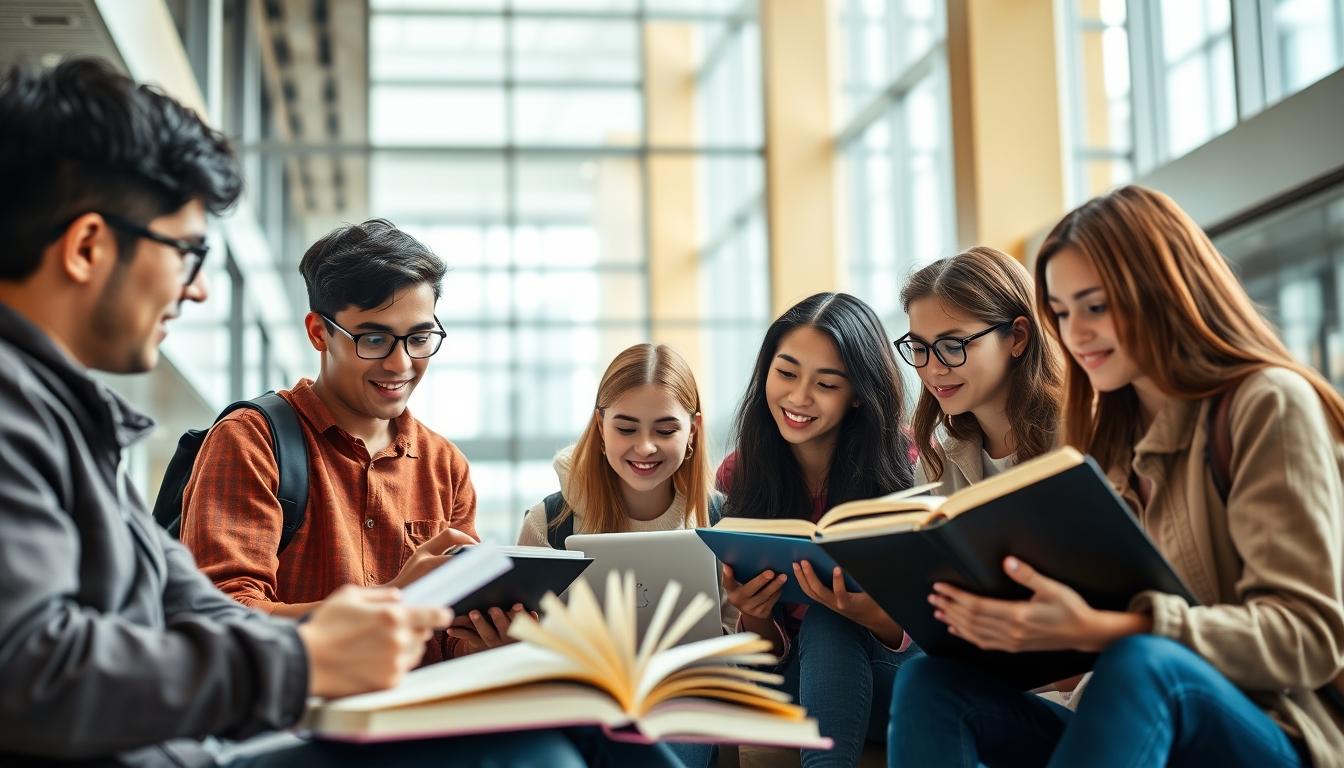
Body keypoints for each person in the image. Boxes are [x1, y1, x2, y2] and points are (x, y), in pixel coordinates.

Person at [0, 57, 681, 767]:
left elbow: (192, 611)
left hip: (352, 718)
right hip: (257, 735)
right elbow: (35, 672)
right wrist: (320, 646)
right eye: (186, 253)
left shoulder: (72, 425)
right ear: (86, 247)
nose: (196, 291)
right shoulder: (41, 421)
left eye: (419, 338)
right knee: (537, 754)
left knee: (601, 729)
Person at [887, 185, 1344, 767]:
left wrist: (1113, 629)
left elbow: (1307, 636)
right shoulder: (1112, 428)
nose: (1075, 332)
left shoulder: (1267, 402)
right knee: (930, 684)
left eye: (1095, 306)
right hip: (1128, 701)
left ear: (1163, 292)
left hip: (1269, 726)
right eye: (1064, 311)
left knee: (1139, 658)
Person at [179, 218, 511, 661]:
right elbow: (221, 617)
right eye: (374, 339)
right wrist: (393, 601)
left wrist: (490, 638)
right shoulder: (251, 441)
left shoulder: (445, 465)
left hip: (419, 720)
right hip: (298, 720)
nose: (400, 364)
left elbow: (448, 635)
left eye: (419, 337)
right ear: (319, 332)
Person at [718, 292, 921, 767]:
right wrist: (757, 615)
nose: (798, 398)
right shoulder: (738, 475)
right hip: (798, 686)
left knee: (833, 618)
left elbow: (931, 627)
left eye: (826, 384)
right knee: (823, 626)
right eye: (786, 373)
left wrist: (872, 614)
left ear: (857, 394)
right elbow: (765, 658)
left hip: (898, 677)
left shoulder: (910, 466)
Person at [517, 342, 731, 768]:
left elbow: (738, 648)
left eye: (665, 430)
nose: (646, 447)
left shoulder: (722, 519)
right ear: (600, 427)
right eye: (626, 428)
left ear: (693, 431)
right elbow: (525, 645)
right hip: (582, 700)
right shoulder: (550, 521)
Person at [896, 246, 1062, 494]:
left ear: (1018, 337)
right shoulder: (937, 465)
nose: (933, 369)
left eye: (952, 346)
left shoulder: (1079, 437)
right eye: (919, 348)